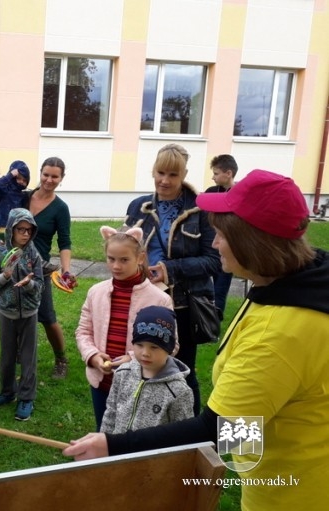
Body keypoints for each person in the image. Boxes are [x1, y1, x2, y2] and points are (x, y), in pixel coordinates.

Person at [63, 169, 329, 511]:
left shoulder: (278, 335)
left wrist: (113, 446)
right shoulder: (295, 281)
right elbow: (263, 416)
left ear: (252, 242)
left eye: (220, 235)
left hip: (294, 494)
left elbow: (219, 430)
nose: (214, 244)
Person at [123, 144, 220, 415]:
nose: (165, 181)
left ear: (184, 175)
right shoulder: (138, 206)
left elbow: (214, 261)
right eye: (160, 172)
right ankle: (152, 424)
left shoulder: (200, 211)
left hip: (184, 306)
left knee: (181, 370)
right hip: (145, 300)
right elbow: (125, 245)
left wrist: (169, 270)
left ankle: (190, 433)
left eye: (173, 175)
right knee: (145, 365)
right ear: (152, 171)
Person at [75, 226, 174, 431]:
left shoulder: (160, 299)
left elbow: (171, 345)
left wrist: (133, 358)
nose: (116, 266)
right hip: (103, 384)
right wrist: (93, 356)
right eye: (111, 259)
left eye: (124, 260)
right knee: (105, 432)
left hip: (141, 385)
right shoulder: (96, 292)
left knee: (135, 439)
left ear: (140, 258)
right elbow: (83, 331)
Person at [0, 208, 43, 421]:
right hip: (7, 313)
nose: (25, 234)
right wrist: (4, 276)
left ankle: (26, 397)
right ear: (11, 230)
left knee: (28, 357)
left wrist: (29, 285)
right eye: (21, 229)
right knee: (7, 355)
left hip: (29, 313)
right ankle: (7, 392)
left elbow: (40, 285)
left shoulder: (33, 254)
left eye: (29, 230)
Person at [100, 305, 193, 434]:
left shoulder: (179, 391)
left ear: (169, 348)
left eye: (154, 347)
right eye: (139, 344)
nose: (145, 353)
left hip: (154, 454)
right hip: (118, 451)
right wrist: (105, 442)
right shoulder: (122, 373)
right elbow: (111, 413)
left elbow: (183, 434)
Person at [22, 156, 74, 379]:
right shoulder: (23, 197)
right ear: (40, 173)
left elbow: (65, 242)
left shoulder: (60, 208)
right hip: (15, 266)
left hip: (40, 270)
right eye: (46, 174)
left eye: (55, 176)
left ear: (61, 179)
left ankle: (61, 359)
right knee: (18, 314)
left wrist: (66, 269)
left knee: (47, 317)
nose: (49, 180)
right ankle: (20, 354)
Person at [205, 154, 239, 319]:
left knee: (220, 288)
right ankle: (203, 319)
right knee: (206, 289)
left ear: (229, 173)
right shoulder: (211, 192)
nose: (213, 177)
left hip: (228, 249)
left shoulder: (240, 194)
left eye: (216, 173)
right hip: (211, 247)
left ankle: (214, 324)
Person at [0, 160, 30, 236]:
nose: (21, 182)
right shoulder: (5, 190)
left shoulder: (23, 195)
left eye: (24, 180)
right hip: (1, 227)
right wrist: (11, 174)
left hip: (14, 229)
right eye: (18, 178)